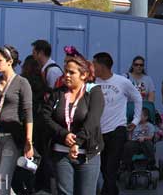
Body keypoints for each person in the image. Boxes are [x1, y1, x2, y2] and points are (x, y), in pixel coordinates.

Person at [43, 54, 104, 195]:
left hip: (87, 154)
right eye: (66, 71)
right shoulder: (58, 93)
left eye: (72, 72)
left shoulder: (94, 91)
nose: (67, 75)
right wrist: (63, 134)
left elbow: (93, 120)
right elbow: (45, 117)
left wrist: (78, 141)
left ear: (84, 75)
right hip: (61, 153)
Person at [0, 45, 34, 195]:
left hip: (11, 137)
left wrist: (28, 141)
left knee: (3, 180)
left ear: (10, 61)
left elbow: (28, 113)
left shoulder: (22, 83)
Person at [93, 52, 142, 195]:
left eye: (94, 64)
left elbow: (137, 98)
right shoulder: (93, 82)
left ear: (102, 66)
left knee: (111, 167)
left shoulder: (122, 82)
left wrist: (135, 120)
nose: (92, 67)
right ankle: (112, 191)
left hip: (117, 130)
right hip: (99, 132)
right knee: (103, 168)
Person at [13, 55, 45, 195]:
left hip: (24, 125)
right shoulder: (42, 84)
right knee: (32, 158)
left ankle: (24, 186)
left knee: (21, 159)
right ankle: (33, 185)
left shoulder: (23, 83)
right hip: (39, 125)